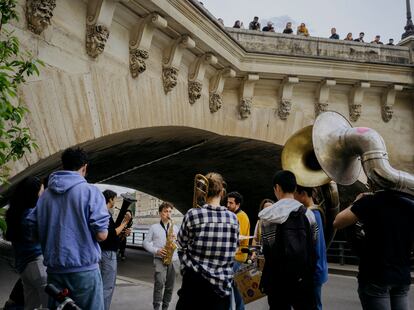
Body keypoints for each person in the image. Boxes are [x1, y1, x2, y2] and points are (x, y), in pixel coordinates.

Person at [27, 147, 109, 310]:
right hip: (84, 273)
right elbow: (101, 235)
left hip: (55, 273)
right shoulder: (90, 192)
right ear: (84, 167)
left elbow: (33, 234)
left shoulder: (45, 197)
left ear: (63, 165)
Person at [333, 184, 414, 310]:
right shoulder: (410, 204)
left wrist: (356, 202)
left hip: (375, 275)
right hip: (402, 276)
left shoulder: (370, 201)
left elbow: (338, 222)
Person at [176, 172, 239, 310]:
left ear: (204, 191)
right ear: (222, 191)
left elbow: (180, 242)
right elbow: (235, 248)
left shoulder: (192, 214)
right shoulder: (233, 219)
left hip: (194, 283)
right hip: (220, 287)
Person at [259, 170, 317, 310]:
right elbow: (313, 244)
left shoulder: (267, 217)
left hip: (277, 279)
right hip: (302, 277)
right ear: (295, 188)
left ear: (277, 188)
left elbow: (266, 249)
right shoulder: (308, 214)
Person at [5, 176, 48, 310]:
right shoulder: (32, 215)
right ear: (33, 194)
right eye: (41, 191)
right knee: (49, 305)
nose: (43, 194)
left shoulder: (15, 213)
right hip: (39, 265)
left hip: (24, 267)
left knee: (30, 306)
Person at [295, 186, 328, 310]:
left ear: (303, 194)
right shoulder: (317, 212)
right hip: (318, 268)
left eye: (295, 194)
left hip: (313, 271)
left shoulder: (309, 214)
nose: (293, 198)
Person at [99, 190, 132, 310]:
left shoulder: (103, 213)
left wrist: (123, 233)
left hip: (105, 253)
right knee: (107, 287)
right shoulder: (105, 214)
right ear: (110, 199)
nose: (115, 202)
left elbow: (114, 237)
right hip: (108, 255)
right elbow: (111, 234)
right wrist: (125, 222)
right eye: (115, 199)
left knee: (105, 286)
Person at [143, 202, 179, 310]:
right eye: (165, 211)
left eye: (169, 211)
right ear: (160, 213)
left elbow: (180, 244)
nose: (168, 214)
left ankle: (165, 307)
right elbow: (145, 243)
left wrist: (175, 240)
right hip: (159, 259)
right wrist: (156, 251)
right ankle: (156, 307)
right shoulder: (154, 227)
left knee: (170, 287)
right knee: (159, 284)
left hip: (174, 260)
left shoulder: (175, 228)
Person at [226, 191, 250, 310]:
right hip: (234, 257)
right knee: (235, 287)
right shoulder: (234, 215)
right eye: (227, 202)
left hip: (238, 257)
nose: (228, 205)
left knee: (229, 287)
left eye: (231, 203)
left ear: (238, 204)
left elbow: (238, 239)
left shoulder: (241, 216)